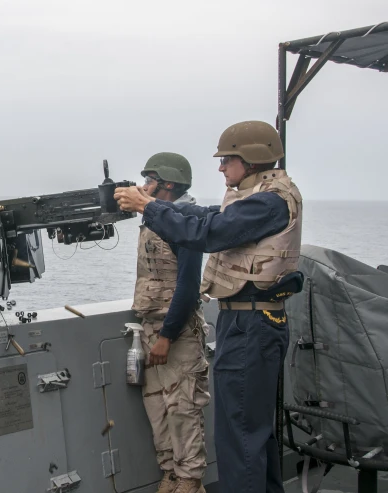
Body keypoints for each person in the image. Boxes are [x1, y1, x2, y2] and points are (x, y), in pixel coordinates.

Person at [114, 121, 303, 493]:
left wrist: (149, 206)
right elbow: (207, 218)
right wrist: (156, 206)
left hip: (252, 324)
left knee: (239, 437)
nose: (220, 168)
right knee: (254, 433)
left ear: (250, 160)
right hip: (249, 320)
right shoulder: (260, 197)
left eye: (227, 159)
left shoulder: (269, 201)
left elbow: (206, 234)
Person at [131, 152, 210, 493]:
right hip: (151, 327)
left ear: (169, 184)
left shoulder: (186, 220)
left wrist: (166, 336)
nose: (143, 185)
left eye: (149, 179)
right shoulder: (155, 218)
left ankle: (190, 481)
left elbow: (189, 287)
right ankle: (171, 475)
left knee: (182, 408)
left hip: (175, 333)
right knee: (157, 406)